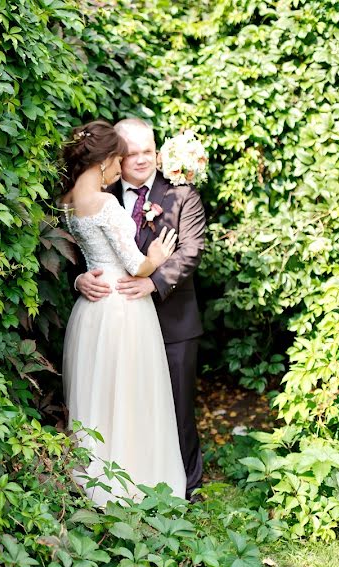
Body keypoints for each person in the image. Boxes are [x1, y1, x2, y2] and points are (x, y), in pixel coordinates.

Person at [73, 118, 205, 499]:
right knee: (125, 406)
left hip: (173, 320)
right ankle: (132, 481)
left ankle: (189, 485)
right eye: (133, 153)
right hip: (121, 323)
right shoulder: (101, 191)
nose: (143, 159)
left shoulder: (182, 194)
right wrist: (79, 280)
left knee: (178, 409)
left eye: (150, 150)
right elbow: (80, 252)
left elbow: (192, 249)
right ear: (117, 156)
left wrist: (154, 282)